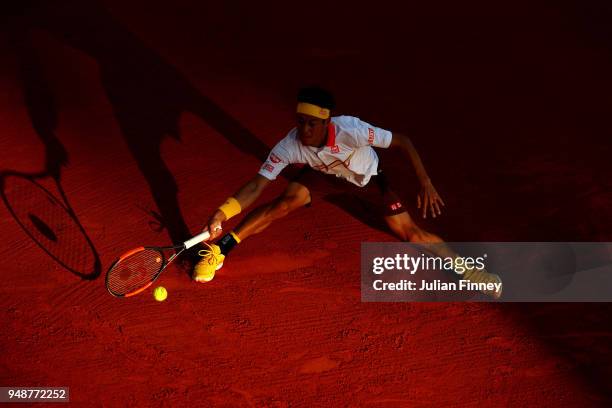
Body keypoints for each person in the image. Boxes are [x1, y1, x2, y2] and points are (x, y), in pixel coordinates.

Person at [193, 86, 502, 298]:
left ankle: (472, 273)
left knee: (412, 235)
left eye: (312, 124)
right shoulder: (290, 145)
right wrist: (223, 211)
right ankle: (222, 248)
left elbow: (403, 141)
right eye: (300, 122)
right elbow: (257, 185)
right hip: (324, 176)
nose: (304, 130)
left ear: (326, 121)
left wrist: (426, 181)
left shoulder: (352, 130)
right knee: (285, 203)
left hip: (369, 181)